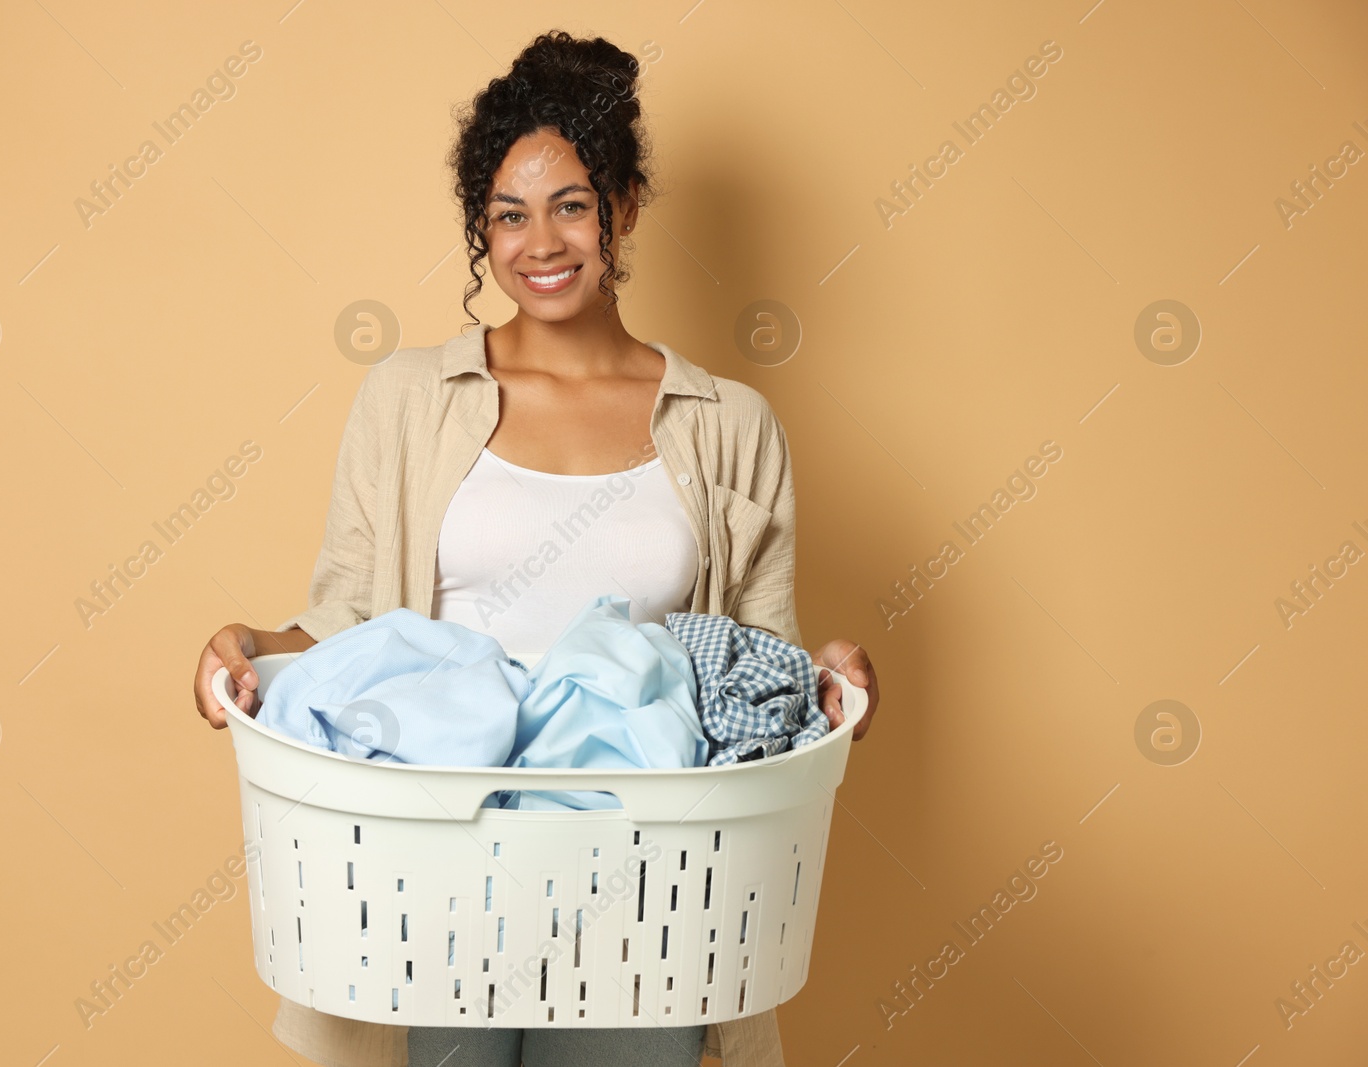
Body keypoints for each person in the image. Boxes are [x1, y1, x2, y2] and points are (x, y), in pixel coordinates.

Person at [191, 29, 881, 1067]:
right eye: (508, 214)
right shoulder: (409, 401)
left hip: (650, 877)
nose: (540, 242)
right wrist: (247, 644)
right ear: (481, 226)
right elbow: (346, 623)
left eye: (569, 203)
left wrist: (828, 676)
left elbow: (757, 661)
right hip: (451, 861)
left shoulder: (728, 422)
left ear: (626, 204)